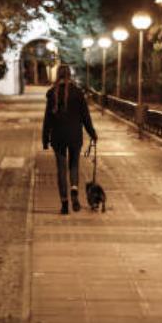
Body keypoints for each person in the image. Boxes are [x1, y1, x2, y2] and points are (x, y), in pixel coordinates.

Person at [41, 65, 97, 214]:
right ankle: (74, 189)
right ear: (69, 75)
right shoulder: (78, 93)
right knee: (74, 165)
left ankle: (65, 204)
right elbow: (85, 116)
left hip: (58, 136)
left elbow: (47, 119)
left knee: (61, 169)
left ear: (57, 75)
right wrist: (92, 133)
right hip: (74, 136)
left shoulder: (52, 93)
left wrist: (45, 139)